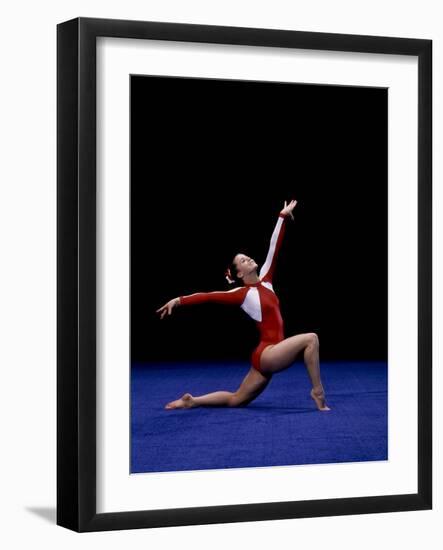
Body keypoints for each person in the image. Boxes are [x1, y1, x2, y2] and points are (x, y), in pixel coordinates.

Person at [156, 200, 330, 411]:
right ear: (240, 274)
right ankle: (317, 391)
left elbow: (274, 247)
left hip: (266, 355)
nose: (249, 259)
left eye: (248, 257)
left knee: (236, 399)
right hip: (269, 353)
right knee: (311, 339)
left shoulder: (266, 279)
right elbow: (208, 296)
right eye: (244, 261)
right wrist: (178, 300)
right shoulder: (242, 294)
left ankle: (192, 400)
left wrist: (282, 217)